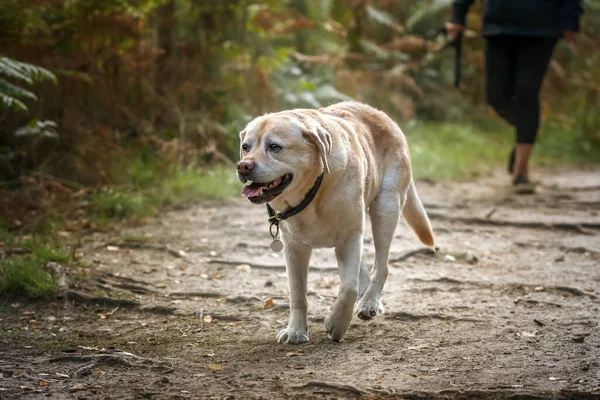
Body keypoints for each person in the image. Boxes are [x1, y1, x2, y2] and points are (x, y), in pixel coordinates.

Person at [446, 0, 583, 193]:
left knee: (527, 91)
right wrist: (457, 15)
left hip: (542, 26)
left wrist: (571, 18)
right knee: (496, 96)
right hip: (498, 26)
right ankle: (524, 134)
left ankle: (521, 172)